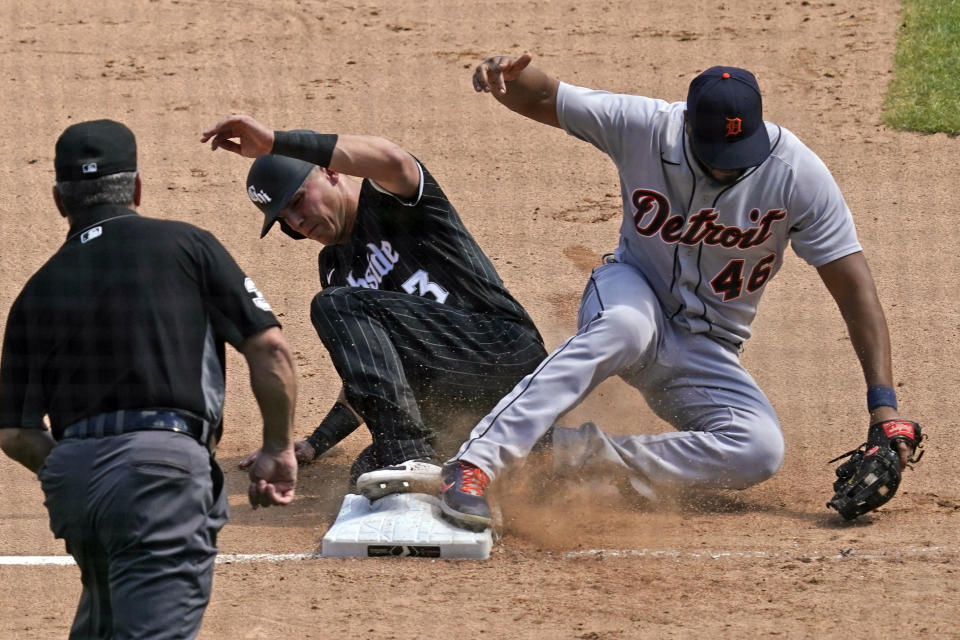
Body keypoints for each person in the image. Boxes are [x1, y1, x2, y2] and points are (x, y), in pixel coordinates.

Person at [438, 54, 921, 531]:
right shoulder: (645, 126)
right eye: (716, 156)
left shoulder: (798, 174)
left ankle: (560, 455)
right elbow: (547, 95)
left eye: (739, 158)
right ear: (687, 125)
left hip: (705, 347)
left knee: (757, 450)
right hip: (631, 294)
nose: (728, 170)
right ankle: (476, 463)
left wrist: (884, 407)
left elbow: (855, 287)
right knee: (625, 327)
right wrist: (509, 76)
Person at [0, 120, 298, 639]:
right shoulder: (187, 245)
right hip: (160, 473)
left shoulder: (36, 290)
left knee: (105, 623)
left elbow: (14, 432)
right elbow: (270, 349)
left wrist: (80, 468)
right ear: (137, 187)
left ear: (58, 200)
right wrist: (277, 446)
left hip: (73, 483)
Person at [201, 115, 547, 500]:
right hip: (465, 399)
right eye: (284, 220)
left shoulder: (392, 198)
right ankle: (542, 461)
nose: (297, 223)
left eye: (298, 202)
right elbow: (371, 374)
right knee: (367, 475)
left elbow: (392, 159)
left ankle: (409, 457)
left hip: (504, 353)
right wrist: (316, 442)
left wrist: (278, 143)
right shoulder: (334, 267)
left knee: (334, 306)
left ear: (331, 171)